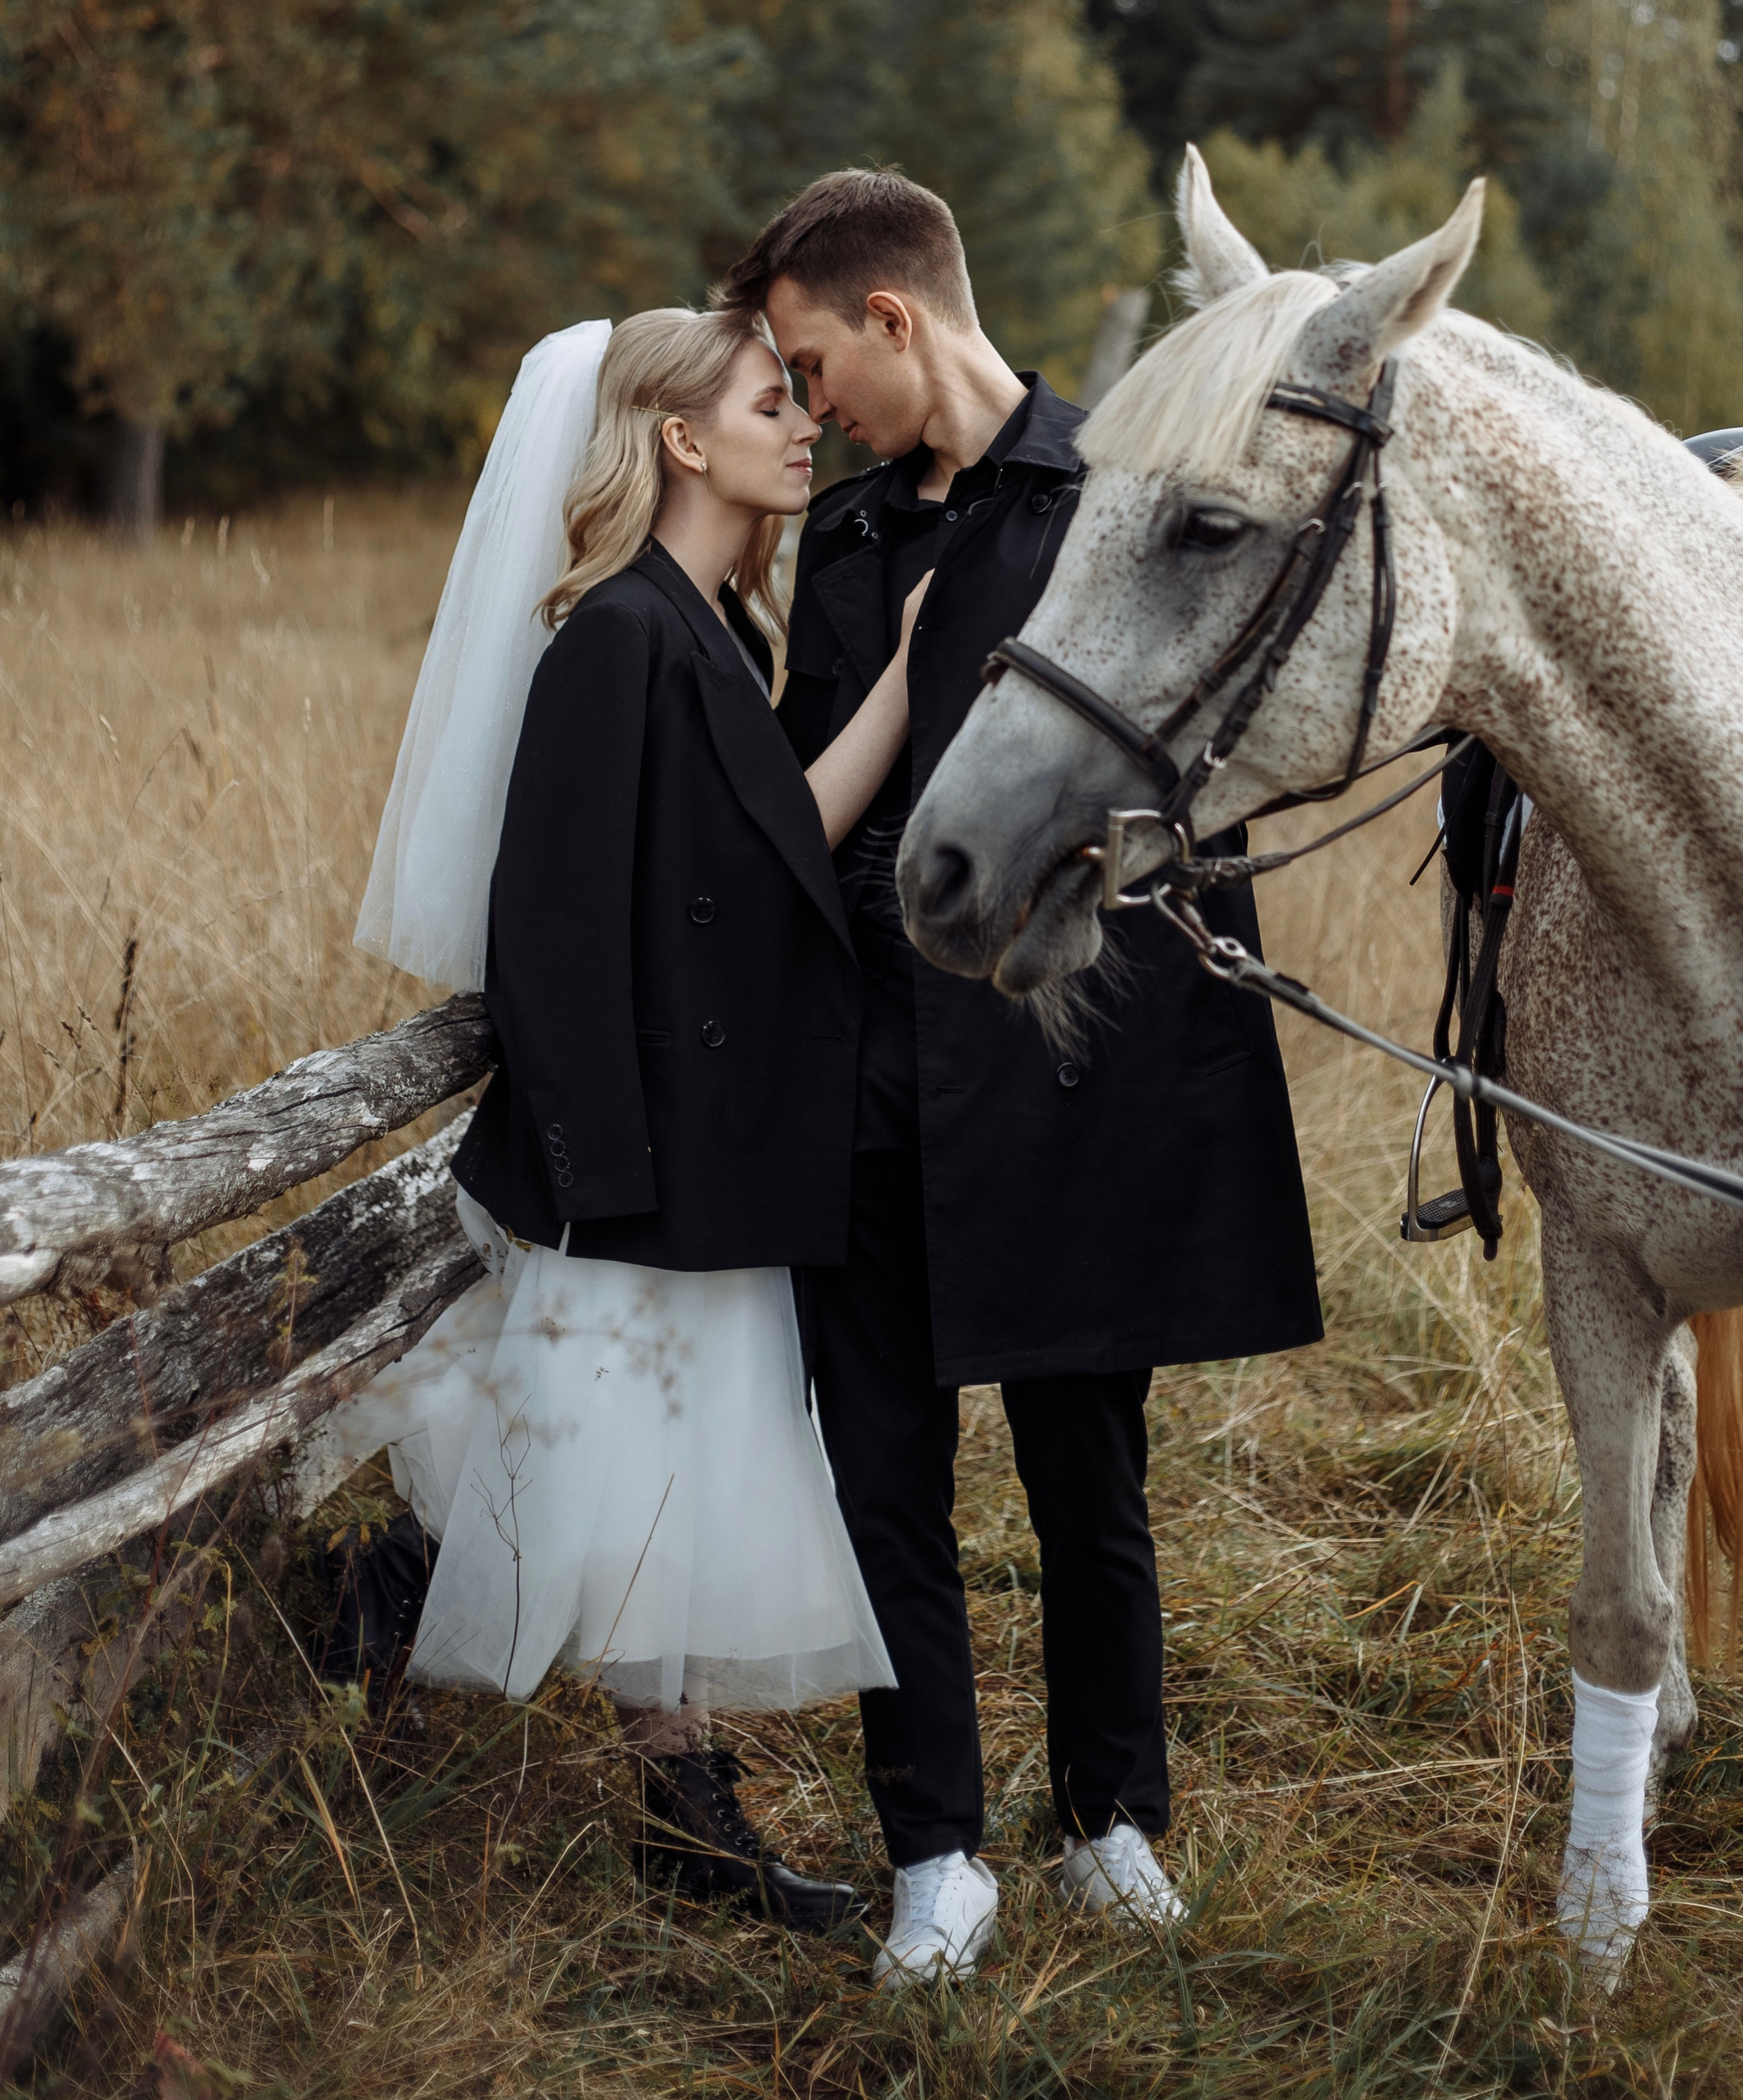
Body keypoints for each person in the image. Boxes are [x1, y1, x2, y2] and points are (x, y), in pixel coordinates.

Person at [714, 171, 1324, 1987]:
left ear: (893, 319)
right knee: (883, 1470)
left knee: (1085, 1466)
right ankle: (933, 1852)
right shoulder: (833, 546)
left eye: (817, 366)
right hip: (872, 1077)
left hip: (1070, 1076)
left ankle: (1109, 1817)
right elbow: (804, 794)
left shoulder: (1104, 506)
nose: (811, 409)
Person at [345, 308, 923, 1933]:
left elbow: (775, 844)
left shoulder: (699, 627)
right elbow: (550, 925)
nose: (802, 426)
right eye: (768, 402)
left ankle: (667, 1802)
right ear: (679, 437)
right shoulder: (614, 634)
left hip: (711, 1152)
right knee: (619, 1471)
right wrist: (603, 1178)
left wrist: (893, 674)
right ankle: (657, 1795)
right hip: (645, 1164)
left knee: (645, 1475)